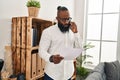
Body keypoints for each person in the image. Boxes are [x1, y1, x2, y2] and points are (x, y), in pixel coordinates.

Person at [39, 6, 82, 80]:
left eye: (68, 19)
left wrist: (76, 33)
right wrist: (51, 58)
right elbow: (41, 51)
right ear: (57, 19)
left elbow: (79, 48)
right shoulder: (48, 32)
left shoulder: (73, 32)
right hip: (52, 75)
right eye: (63, 19)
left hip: (68, 74)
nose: (66, 22)